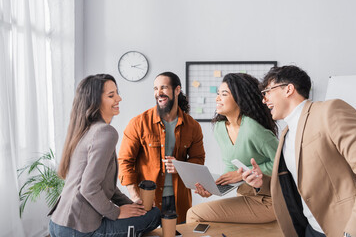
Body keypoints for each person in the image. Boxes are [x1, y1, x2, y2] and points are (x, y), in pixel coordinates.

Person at [243, 65, 356, 237]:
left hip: (343, 229)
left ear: (288, 89)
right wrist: (262, 183)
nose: (264, 100)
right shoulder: (286, 133)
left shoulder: (329, 111)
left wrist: (352, 231)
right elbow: (297, 182)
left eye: (267, 91)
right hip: (310, 229)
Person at [48, 74, 160, 237]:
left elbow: (102, 185)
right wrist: (116, 212)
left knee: (143, 213)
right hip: (79, 229)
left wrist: (130, 206)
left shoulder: (85, 129)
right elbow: (89, 187)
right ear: (95, 101)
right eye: (111, 95)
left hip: (57, 223)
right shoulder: (105, 132)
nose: (119, 98)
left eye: (117, 93)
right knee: (154, 215)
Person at [186, 73, 279, 224]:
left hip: (270, 200)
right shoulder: (220, 128)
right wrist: (214, 187)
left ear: (239, 98)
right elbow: (230, 166)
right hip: (245, 195)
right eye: (218, 94)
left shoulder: (253, 129)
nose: (217, 99)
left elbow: (283, 162)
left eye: (224, 94)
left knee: (194, 214)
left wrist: (242, 174)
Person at [118, 72, 206, 223]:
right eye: (155, 88)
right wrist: (135, 196)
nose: (158, 93)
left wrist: (181, 167)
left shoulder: (193, 126)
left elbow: (198, 160)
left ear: (177, 90)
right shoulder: (138, 123)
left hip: (179, 200)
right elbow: (124, 161)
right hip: (146, 199)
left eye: (163, 87)